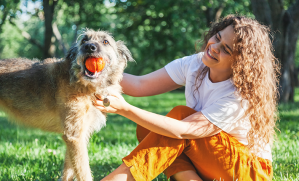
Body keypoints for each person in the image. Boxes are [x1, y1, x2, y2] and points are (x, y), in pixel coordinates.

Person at [93, 15, 280, 181]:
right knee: (147, 128)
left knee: (179, 116)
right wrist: (95, 74)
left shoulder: (238, 96)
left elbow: (186, 129)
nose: (214, 47)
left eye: (226, 49)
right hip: (212, 158)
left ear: (240, 63)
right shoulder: (196, 63)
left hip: (249, 170)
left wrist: (125, 109)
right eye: (217, 37)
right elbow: (140, 84)